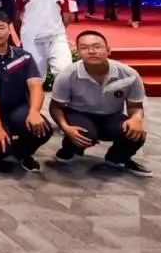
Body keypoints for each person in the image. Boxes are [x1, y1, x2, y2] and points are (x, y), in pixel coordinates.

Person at [49, 30, 151, 176]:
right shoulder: (68, 74)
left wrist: (136, 118)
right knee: (84, 133)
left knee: (136, 132)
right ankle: (69, 150)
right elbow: (56, 106)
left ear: (108, 50)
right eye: (84, 48)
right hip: (79, 114)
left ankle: (118, 158)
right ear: (77, 52)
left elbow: (135, 106)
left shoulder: (128, 74)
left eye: (97, 47)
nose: (91, 51)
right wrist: (66, 128)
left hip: (112, 115)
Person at [0, 11, 51, 172]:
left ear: (9, 28)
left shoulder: (24, 56)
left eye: (1, 27)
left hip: (17, 108)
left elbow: (35, 86)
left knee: (43, 129)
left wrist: (34, 112)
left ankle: (23, 153)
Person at [14, 0, 77, 79]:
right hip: (31, 39)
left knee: (64, 72)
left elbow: (69, 17)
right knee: (35, 77)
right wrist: (24, 34)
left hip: (57, 38)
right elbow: (16, 16)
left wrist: (56, 29)